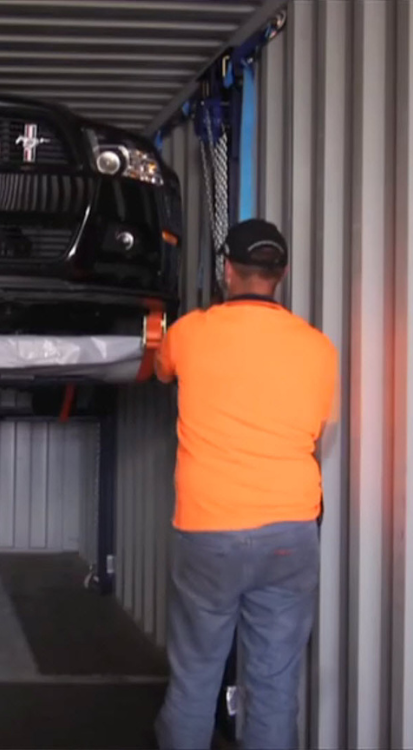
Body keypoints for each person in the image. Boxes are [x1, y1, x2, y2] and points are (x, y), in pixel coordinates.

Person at [153, 219, 337, 750]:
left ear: (227, 271)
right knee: (275, 687)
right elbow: (318, 429)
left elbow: (161, 370)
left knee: (195, 677)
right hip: (291, 531)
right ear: (282, 274)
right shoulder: (319, 348)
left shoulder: (190, 332)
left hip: (208, 529)